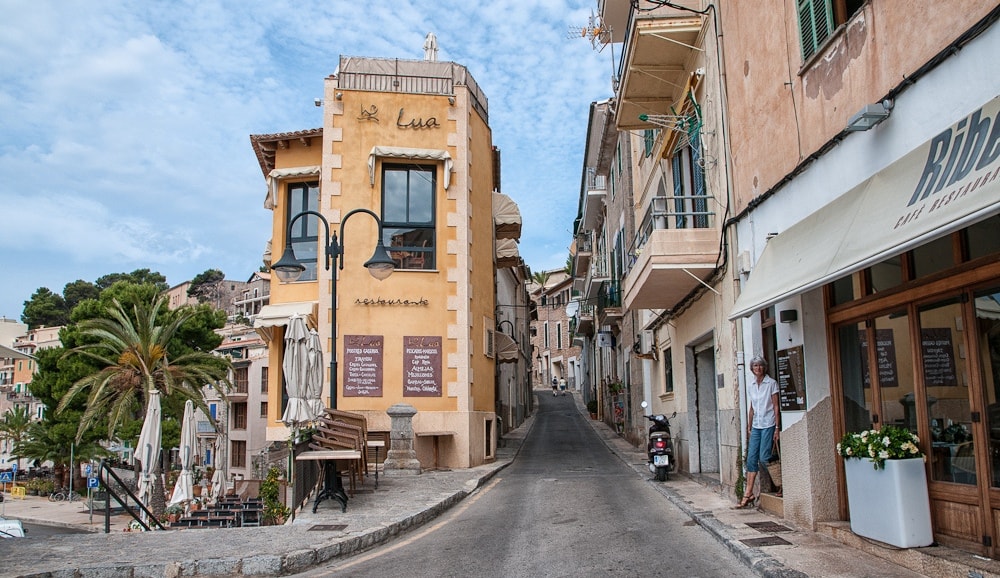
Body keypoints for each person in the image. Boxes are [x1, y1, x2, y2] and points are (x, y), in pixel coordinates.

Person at [738, 355, 780, 508]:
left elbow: (776, 406)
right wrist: (749, 427)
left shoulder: (771, 383)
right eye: (755, 366)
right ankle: (748, 493)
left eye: (760, 365)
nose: (758, 368)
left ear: (764, 367)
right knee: (751, 459)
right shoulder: (751, 386)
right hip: (756, 425)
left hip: (768, 424)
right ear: (752, 369)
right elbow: (752, 408)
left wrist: (777, 427)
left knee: (764, 457)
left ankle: (780, 482)